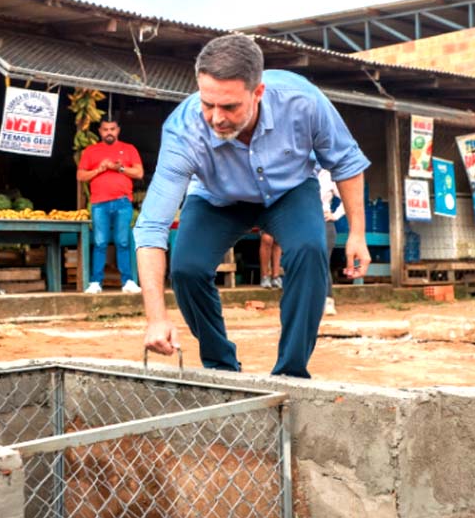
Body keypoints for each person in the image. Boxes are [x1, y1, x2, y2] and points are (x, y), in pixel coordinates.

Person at [134, 33, 370, 378]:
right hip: (217, 198)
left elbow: (346, 162)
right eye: (207, 103)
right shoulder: (183, 131)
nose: (216, 118)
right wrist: (156, 318)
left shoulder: (301, 100)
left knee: (309, 250)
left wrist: (358, 234)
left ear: (257, 92)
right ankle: (221, 366)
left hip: (289, 191)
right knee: (187, 268)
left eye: (229, 106)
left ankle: (291, 372)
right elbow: (151, 227)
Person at [77, 118, 144, 294]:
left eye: (112, 129)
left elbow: (139, 172)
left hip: (123, 202)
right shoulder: (91, 151)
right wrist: (99, 169)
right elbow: (81, 176)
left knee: (122, 242)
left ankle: (128, 281)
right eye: (105, 129)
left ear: (118, 130)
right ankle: (95, 282)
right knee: (100, 242)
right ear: (99, 131)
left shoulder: (129, 149)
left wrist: (119, 169)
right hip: (99, 203)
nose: (109, 132)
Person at [318, 168, 346, 316]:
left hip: (324, 222)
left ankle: (328, 300)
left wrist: (335, 215)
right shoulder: (298, 171)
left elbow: (347, 197)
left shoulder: (328, 175)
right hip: (302, 223)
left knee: (323, 262)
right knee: (304, 263)